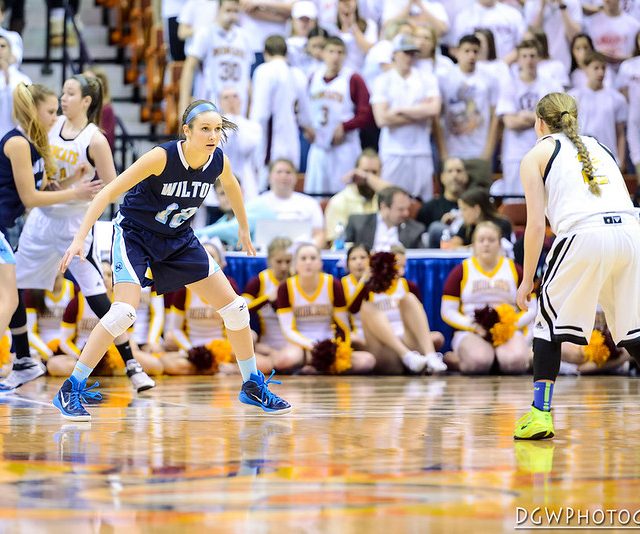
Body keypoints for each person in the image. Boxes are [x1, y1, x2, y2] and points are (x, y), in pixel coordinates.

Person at [55, 100, 291, 420]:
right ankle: (71, 387)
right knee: (123, 312)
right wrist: (80, 238)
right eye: (205, 129)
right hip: (134, 236)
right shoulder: (161, 156)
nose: (212, 136)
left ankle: (251, 384)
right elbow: (106, 193)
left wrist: (245, 230)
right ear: (186, 131)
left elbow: (233, 188)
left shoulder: (217, 159)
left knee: (236, 309)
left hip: (178, 239)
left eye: (217, 129)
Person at [10, 74, 155, 394]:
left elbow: (114, 186)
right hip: (42, 217)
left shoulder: (95, 139)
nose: (63, 98)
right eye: (62, 93)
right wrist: (65, 186)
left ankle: (132, 365)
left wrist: (86, 194)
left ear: (87, 101)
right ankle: (22, 359)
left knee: (98, 296)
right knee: (13, 285)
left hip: (74, 225)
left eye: (70, 93)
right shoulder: (51, 124)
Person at [514, 92, 640, 440]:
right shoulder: (599, 146)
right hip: (631, 234)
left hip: (583, 235)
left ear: (539, 122)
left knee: (547, 327)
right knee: (634, 331)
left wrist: (527, 280)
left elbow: (537, 226)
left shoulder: (536, 154)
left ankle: (540, 414)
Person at [0, 83, 100, 384]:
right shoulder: (17, 143)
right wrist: (76, 192)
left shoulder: (35, 143)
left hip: (5, 229)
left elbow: (43, 187)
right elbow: (30, 199)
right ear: (33, 112)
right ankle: (21, 360)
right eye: (50, 112)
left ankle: (24, 362)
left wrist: (73, 181)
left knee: (12, 292)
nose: (56, 117)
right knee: (8, 297)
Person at [441, 221, 535, 374]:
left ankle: (511, 359)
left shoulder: (514, 268)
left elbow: (531, 307)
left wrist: (510, 325)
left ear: (499, 244)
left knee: (515, 363)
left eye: (491, 240)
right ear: (474, 244)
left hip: (508, 330)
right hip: (472, 331)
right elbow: (447, 311)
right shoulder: (461, 270)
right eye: (481, 240)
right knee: (479, 363)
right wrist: (472, 326)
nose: (486, 244)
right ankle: (456, 360)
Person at [274, 242, 376, 373]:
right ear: (295, 265)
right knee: (284, 361)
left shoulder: (333, 284)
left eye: (313, 258)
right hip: (301, 344)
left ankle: (314, 367)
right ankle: (319, 365)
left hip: (329, 342)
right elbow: (288, 330)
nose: (308, 262)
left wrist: (337, 348)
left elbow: (343, 325)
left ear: (320, 263)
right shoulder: (285, 288)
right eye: (303, 258)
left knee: (367, 361)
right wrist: (313, 346)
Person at [348, 244, 446, 374]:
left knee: (409, 299)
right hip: (384, 346)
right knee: (366, 307)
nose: (401, 271)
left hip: (406, 340)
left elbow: (419, 321)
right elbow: (353, 309)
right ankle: (407, 356)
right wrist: (366, 278)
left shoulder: (407, 285)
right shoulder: (369, 287)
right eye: (396, 266)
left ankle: (430, 356)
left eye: (403, 266)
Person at [371, 34, 441, 201]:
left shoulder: (426, 78)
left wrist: (399, 110)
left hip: (420, 150)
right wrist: (419, 114)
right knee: (391, 198)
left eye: (412, 53)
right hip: (393, 151)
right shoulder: (383, 80)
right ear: (394, 54)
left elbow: (434, 109)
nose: (409, 57)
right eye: (405, 53)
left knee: (423, 200)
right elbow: (381, 119)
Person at [304, 35, 374, 196]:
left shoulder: (353, 78)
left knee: (345, 194)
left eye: (340, 52)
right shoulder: (313, 76)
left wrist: (345, 126)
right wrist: (306, 128)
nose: (335, 56)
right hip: (318, 146)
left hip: (345, 146)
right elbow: (301, 107)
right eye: (331, 51)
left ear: (345, 55)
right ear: (323, 53)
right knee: (316, 194)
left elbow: (366, 114)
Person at [493, 40, 563, 198]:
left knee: (545, 200)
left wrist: (526, 115)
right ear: (518, 59)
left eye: (532, 55)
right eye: (524, 56)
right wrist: (540, 117)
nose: (529, 60)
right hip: (515, 153)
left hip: (545, 151)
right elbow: (510, 122)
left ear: (539, 58)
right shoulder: (509, 84)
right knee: (516, 199)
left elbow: (558, 119)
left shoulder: (551, 84)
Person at [179, 0, 252, 118]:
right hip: (209, 103)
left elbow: (246, 75)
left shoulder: (244, 37)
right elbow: (189, 67)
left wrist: (250, 107)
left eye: (235, 11)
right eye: (228, 10)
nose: (232, 15)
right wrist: (182, 106)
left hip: (237, 106)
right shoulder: (205, 33)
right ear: (218, 10)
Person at [569, 52, 627, 166]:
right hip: (580, 158)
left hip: (608, 157)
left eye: (603, 68)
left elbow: (620, 134)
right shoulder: (573, 97)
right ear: (585, 69)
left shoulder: (617, 98)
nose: (600, 72)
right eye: (596, 68)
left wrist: (620, 160)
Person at [243, 237, 292, 366]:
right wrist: (267, 299)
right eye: (279, 261)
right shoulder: (260, 281)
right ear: (270, 260)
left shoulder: (297, 280)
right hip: (266, 345)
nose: (284, 266)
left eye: (288, 261)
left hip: (292, 344)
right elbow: (242, 310)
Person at [323, 148, 389, 243]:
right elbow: (335, 241)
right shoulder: (339, 201)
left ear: (381, 173)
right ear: (356, 171)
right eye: (365, 172)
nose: (368, 179)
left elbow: (398, 195)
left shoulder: (386, 200)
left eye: (374, 173)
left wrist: (367, 177)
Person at [345, 186, 426, 250]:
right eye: (401, 209)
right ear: (383, 207)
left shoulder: (416, 230)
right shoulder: (358, 224)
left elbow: (419, 259)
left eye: (407, 208)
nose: (406, 213)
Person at [416, 157, 469, 248]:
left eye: (459, 171)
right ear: (442, 177)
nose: (454, 175)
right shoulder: (429, 208)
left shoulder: (474, 206)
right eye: (450, 171)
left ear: (466, 176)